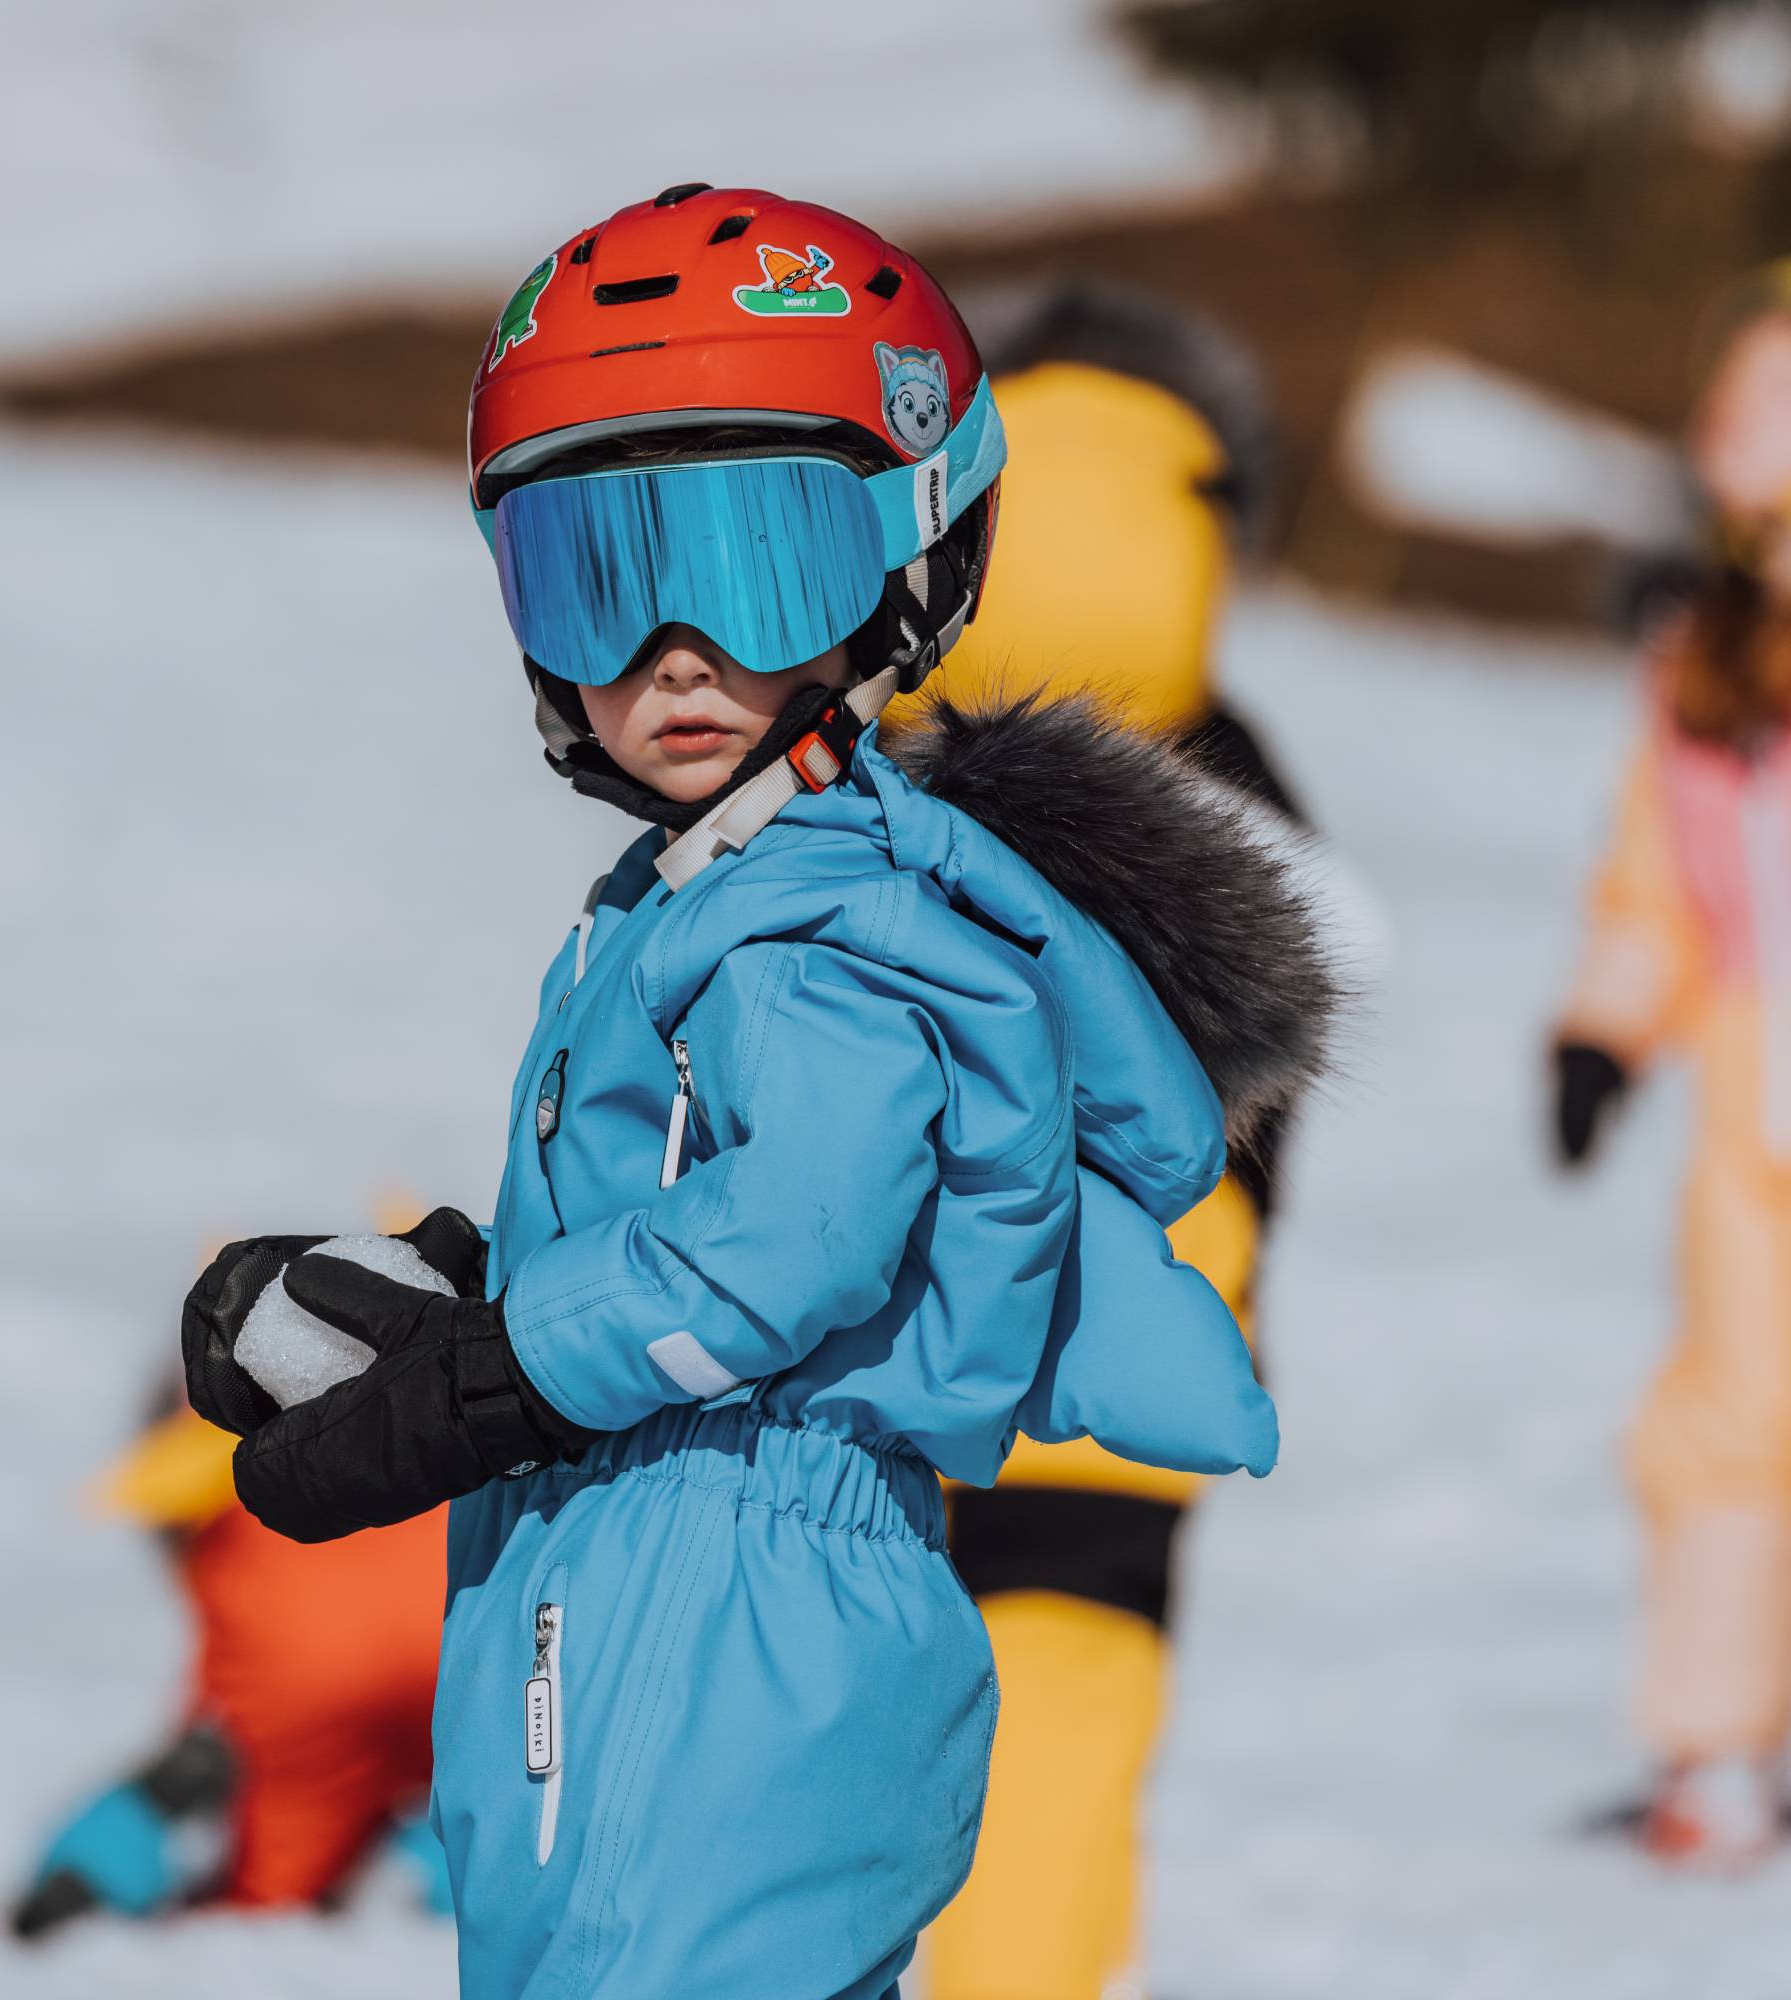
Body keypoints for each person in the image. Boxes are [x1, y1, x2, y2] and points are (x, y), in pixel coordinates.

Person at [179, 186, 1334, 1998]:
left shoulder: (830, 927)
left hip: (724, 1623)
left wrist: (485, 1387)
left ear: (909, 559)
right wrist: (444, 1304)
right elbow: (705, 1222)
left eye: (761, 558)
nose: (677, 653)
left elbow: (784, 1247)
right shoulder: (717, 889)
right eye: (597, 572)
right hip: (667, 1594)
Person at [890, 282, 1309, 2000]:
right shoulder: (1236, 778)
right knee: (1062, 1730)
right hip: (1131, 1365)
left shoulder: (884, 762)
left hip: (877, 1350)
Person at [1554, 267, 1791, 1868]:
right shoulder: (1713, 669)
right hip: (1754, 1113)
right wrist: (1603, 1027)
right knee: (1730, 1422)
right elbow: (1660, 890)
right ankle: (1713, 1749)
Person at [9, 1213, 457, 1938]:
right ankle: (437, 1872)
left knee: (271, 1857)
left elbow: (244, 1726)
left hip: (299, 1681)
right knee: (487, 1786)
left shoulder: (216, 1490)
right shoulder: (376, 1386)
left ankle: (88, 1875)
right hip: (463, 1616)